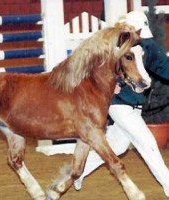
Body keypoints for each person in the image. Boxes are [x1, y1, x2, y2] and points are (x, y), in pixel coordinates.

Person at [72, 11, 169, 197]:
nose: (140, 36)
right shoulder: (112, 45)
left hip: (134, 107)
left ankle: (76, 172)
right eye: (138, 31)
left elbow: (164, 67)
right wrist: (113, 83)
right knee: (147, 143)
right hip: (119, 105)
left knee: (117, 146)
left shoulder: (146, 46)